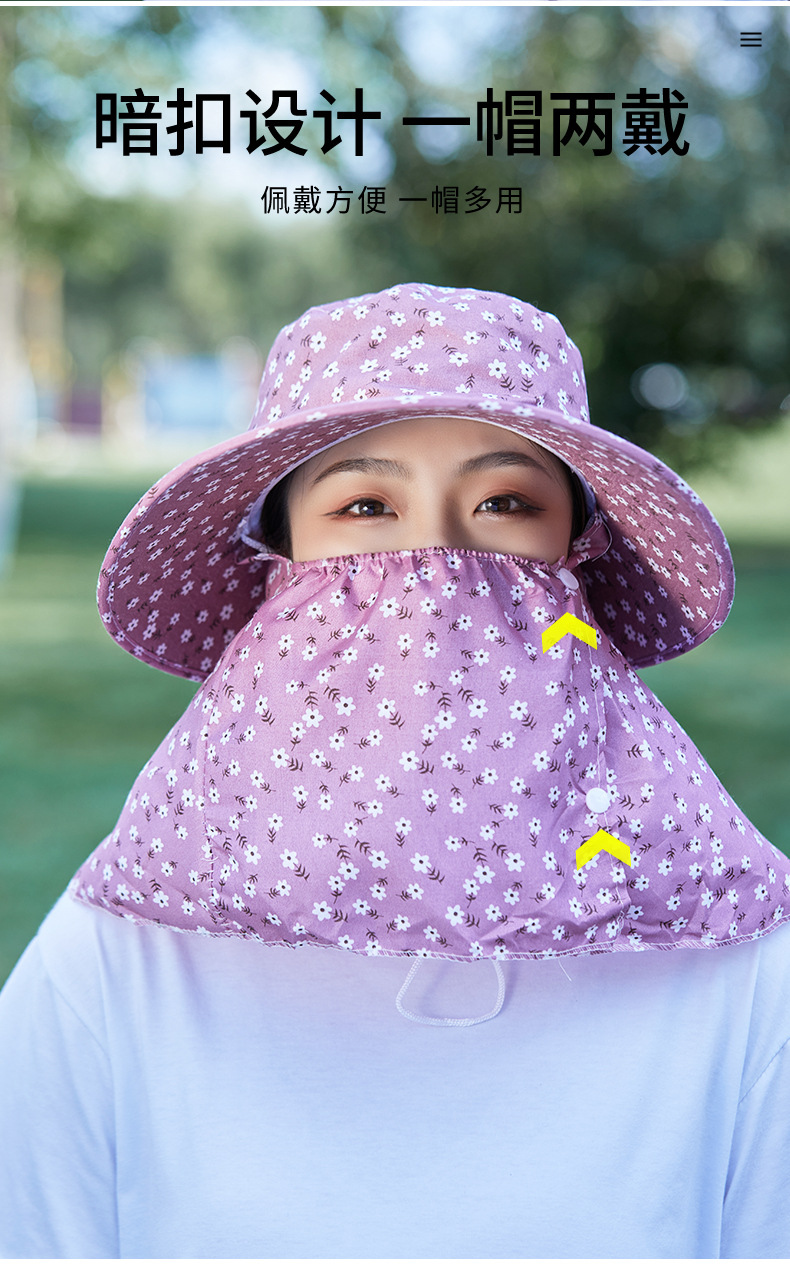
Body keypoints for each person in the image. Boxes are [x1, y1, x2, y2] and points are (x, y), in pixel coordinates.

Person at [1, 281, 789, 1258]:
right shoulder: (121, 959)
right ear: (279, 558)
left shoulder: (737, 961)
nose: (437, 566)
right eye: (366, 505)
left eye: (505, 503)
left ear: (575, 552)